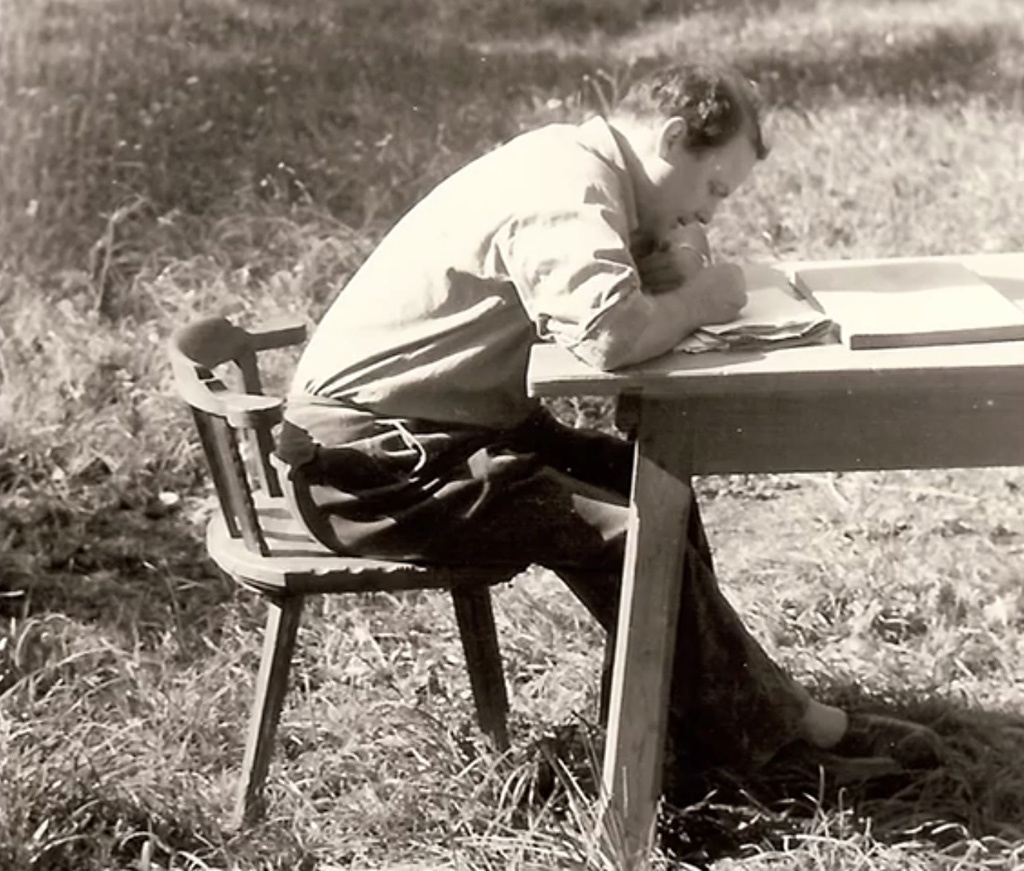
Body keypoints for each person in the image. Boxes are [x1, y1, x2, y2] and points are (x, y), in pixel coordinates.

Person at [276, 62, 941, 782]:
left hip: (428, 435)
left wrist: (672, 263)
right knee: (633, 535)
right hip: (376, 469)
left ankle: (684, 736)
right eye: (713, 188)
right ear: (672, 138)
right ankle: (771, 748)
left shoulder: (583, 166)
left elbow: (631, 283)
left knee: (652, 484)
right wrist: (699, 300)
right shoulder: (566, 188)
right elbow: (612, 338)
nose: (710, 213)